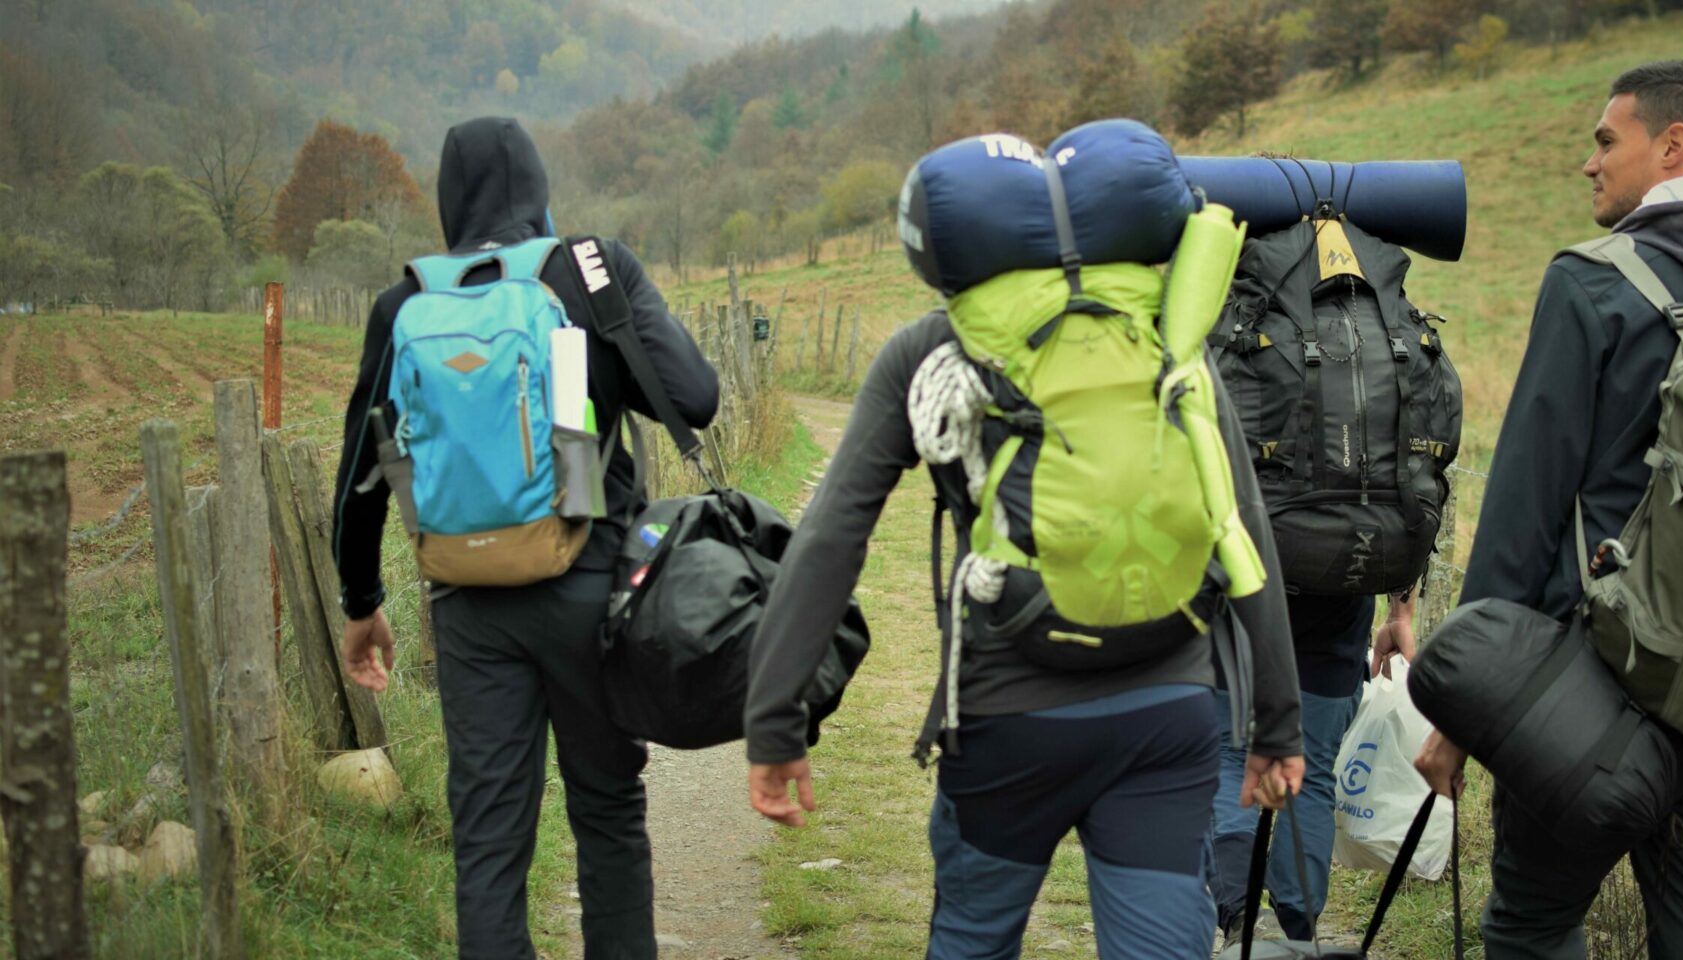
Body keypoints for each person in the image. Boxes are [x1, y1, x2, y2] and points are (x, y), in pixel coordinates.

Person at [1414, 60, 1683, 959]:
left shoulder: (1591, 285)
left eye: (1607, 140)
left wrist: (1463, 713)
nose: (1590, 162)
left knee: (1533, 930)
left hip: (1586, 700)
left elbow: (1524, 513)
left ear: (1673, 147)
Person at [741, 286, 1307, 957]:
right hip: (1165, 712)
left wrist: (776, 717)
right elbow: (1240, 528)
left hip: (1006, 715)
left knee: (973, 937)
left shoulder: (933, 346)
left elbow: (833, 536)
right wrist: (1277, 722)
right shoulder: (1164, 332)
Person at [332, 117, 719, 960]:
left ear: (447, 199)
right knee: (608, 818)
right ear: (539, 190)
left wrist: (362, 602)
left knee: (489, 843)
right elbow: (695, 397)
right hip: (594, 591)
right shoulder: (590, 270)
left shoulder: (406, 303)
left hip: (468, 607)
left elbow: (359, 470)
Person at [1208, 591, 1416, 945]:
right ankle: (1295, 931)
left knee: (1229, 758)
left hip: (1237, 607)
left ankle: (1247, 919)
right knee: (1311, 770)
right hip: (1337, 611)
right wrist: (1400, 615)